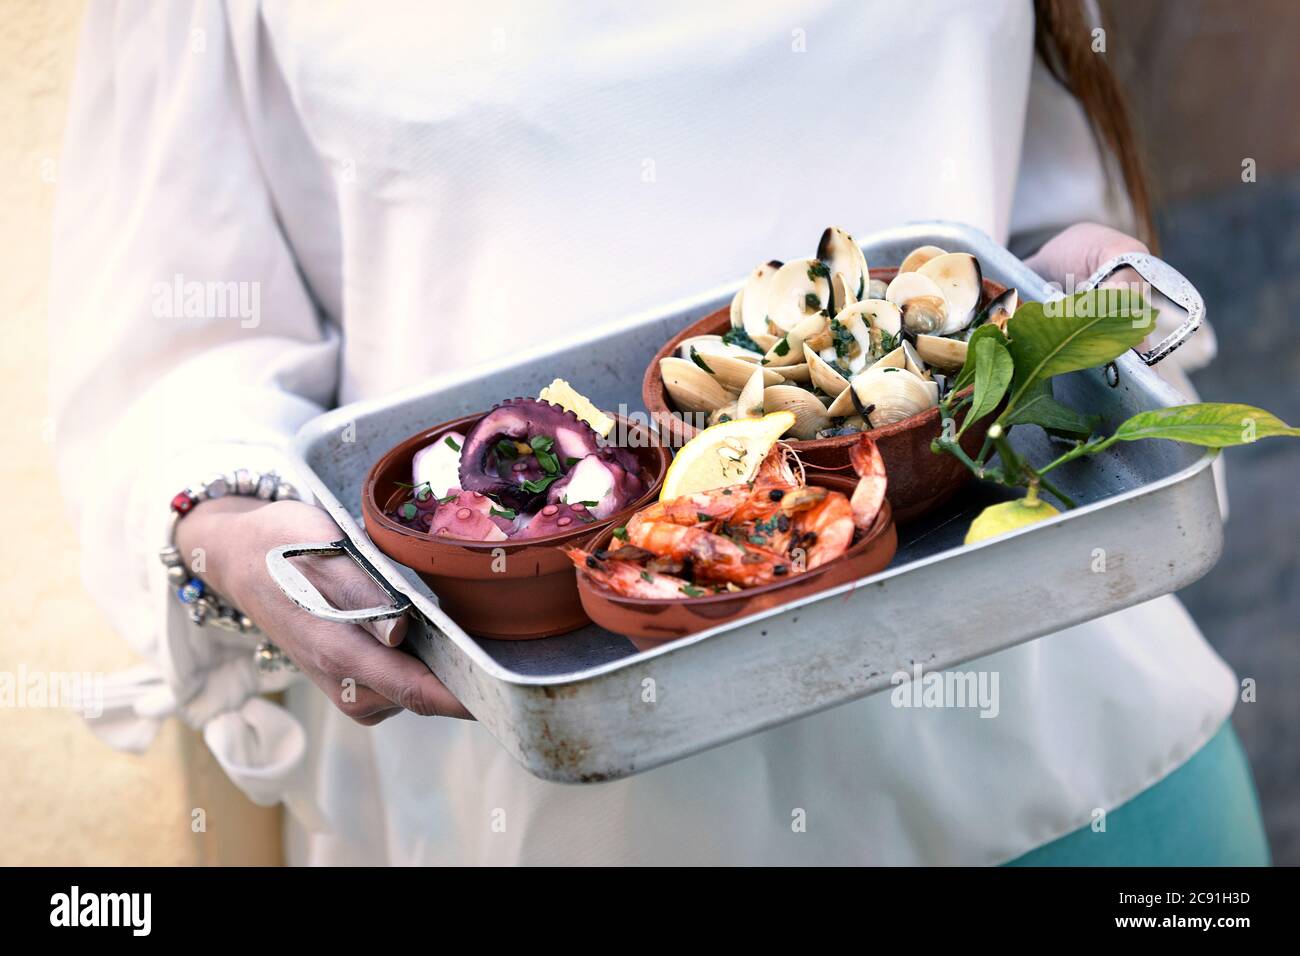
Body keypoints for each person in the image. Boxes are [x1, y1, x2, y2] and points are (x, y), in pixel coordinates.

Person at [51, 0, 1268, 864]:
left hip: (1088, 773)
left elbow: (1016, 222)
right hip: (546, 806)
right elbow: (180, 352)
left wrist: (1093, 289)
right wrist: (226, 525)